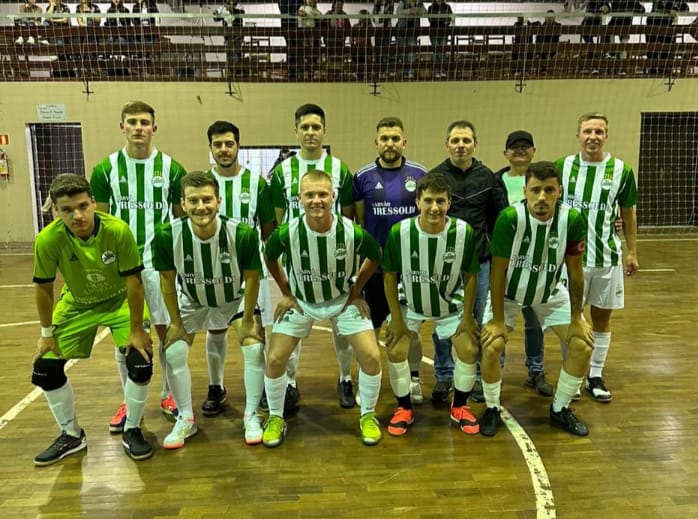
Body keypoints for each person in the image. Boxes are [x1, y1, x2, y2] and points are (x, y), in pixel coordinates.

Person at [32, 173, 153, 466]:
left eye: (83, 206)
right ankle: (71, 435)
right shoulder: (48, 239)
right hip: (78, 304)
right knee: (45, 369)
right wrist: (46, 331)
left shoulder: (117, 230)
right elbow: (44, 287)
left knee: (140, 363)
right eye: (67, 210)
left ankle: (132, 429)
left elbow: (134, 283)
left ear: (93, 202)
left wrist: (137, 329)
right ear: (55, 211)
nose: (78, 215)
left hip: (119, 301)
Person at [262, 170, 383, 447]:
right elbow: (269, 256)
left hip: (342, 301)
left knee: (372, 357)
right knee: (274, 360)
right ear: (299, 199)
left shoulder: (351, 230)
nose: (317, 200)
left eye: (323, 194)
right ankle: (276, 417)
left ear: (333, 197)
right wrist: (287, 292)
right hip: (302, 302)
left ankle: (367, 415)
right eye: (310, 195)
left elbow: (375, 255)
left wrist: (355, 292)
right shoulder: (287, 232)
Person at [90, 101, 187, 433]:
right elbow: (100, 221)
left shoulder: (172, 169)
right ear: (122, 127)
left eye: (144, 122)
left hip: (158, 266)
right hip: (122, 268)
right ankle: (128, 399)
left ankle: (170, 395)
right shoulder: (106, 170)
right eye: (131, 121)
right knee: (125, 338)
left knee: (166, 333)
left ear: (154, 128)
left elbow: (180, 219)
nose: (138, 127)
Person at [480, 161, 595, 437]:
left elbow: (576, 273)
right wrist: (497, 320)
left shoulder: (573, 219)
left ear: (559, 191)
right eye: (535, 190)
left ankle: (560, 408)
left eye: (548, 190)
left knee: (582, 345)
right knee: (492, 345)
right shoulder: (510, 219)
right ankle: (492, 407)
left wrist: (577, 317)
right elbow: (498, 273)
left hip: (551, 293)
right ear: (525, 191)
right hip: (508, 293)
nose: (542, 197)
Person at [153, 171, 265, 448]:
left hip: (233, 299)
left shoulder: (242, 234)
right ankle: (186, 419)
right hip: (192, 301)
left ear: (218, 201)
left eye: (207, 199)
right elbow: (166, 282)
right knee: (175, 350)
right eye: (193, 200)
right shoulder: (167, 235)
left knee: (253, 346)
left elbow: (252, 279)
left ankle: (251, 415)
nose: (200, 206)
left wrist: (249, 317)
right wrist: (176, 322)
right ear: (182, 203)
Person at [270, 103, 355, 410]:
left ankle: (345, 378)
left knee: (342, 326)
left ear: (324, 131)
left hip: (336, 261)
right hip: (298, 263)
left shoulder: (340, 168)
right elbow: (278, 223)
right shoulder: (282, 173)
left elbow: (348, 218)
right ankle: (290, 383)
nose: (310, 132)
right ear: (296, 131)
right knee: (291, 323)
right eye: (304, 127)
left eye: (315, 127)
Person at [382, 172, 481, 436]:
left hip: (450, 306)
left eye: (440, 201)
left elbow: (471, 276)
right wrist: (397, 319)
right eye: (428, 201)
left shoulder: (463, 232)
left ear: (449, 203)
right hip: (410, 303)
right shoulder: (399, 232)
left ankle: (460, 406)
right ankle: (403, 408)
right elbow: (389, 276)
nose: (434, 207)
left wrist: (468, 317)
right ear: (418, 202)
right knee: (395, 350)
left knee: (470, 350)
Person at [555, 112, 639, 402]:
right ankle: (572, 375)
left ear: (606, 136)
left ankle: (595, 375)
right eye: (587, 131)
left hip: (606, 259)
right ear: (578, 135)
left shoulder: (621, 170)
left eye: (599, 132)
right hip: (570, 260)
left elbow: (628, 212)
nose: (593, 137)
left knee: (601, 320)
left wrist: (632, 251)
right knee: (571, 318)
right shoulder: (562, 167)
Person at [428, 120, 508, 405]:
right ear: (447, 144)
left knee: (480, 320)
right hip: (443, 265)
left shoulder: (488, 177)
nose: (460, 145)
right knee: (442, 321)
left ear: (475, 144)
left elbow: (501, 219)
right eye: (455, 140)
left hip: (481, 263)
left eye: (466, 140)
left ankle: (478, 374)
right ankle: (443, 374)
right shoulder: (435, 176)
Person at [203, 121, 276, 417]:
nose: (224, 149)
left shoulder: (257, 183)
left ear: (238, 146)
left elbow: (268, 230)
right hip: (212, 271)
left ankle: (258, 393)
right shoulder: (202, 182)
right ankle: (216, 387)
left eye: (229, 143)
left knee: (255, 331)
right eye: (218, 144)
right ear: (210, 147)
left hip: (249, 272)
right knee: (216, 328)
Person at [353, 116, 426, 406]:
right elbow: (359, 221)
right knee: (368, 329)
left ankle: (415, 378)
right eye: (384, 138)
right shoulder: (363, 176)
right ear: (376, 142)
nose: (390, 143)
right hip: (375, 268)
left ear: (404, 142)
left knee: (411, 328)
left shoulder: (420, 174)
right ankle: (367, 381)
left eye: (395, 138)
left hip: (410, 266)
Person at [493, 131, 552, 397]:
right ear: (505, 153)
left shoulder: (546, 182)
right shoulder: (495, 181)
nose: (519, 151)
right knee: (500, 322)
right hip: (506, 264)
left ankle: (536, 370)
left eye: (525, 147)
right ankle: (497, 369)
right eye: (514, 147)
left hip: (539, 264)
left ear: (533, 150)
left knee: (534, 321)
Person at [213, 0, 245, 76]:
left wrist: (231, 10)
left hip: (237, 36)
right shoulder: (223, 9)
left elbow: (241, 14)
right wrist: (216, 13)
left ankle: (239, 72)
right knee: (229, 54)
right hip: (228, 36)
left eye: (227, 4)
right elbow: (215, 19)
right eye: (225, 4)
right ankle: (231, 73)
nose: (226, 6)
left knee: (237, 53)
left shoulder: (239, 7)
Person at [395, 0, 426, 79]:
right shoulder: (403, 2)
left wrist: (418, 10)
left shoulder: (419, 3)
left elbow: (425, 12)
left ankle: (411, 72)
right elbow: (398, 12)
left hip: (413, 32)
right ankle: (405, 72)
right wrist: (409, 11)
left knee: (411, 53)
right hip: (402, 31)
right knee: (403, 53)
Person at [427, 0, 452, 79]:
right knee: (436, 51)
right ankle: (436, 71)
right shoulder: (431, 7)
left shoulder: (447, 7)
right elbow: (430, 19)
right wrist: (441, 18)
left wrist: (444, 20)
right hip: (434, 32)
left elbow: (449, 18)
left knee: (442, 51)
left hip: (444, 32)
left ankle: (442, 70)